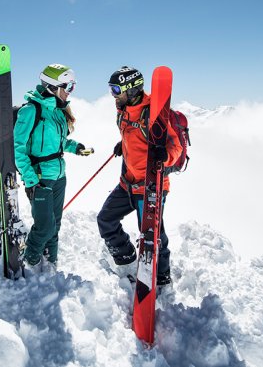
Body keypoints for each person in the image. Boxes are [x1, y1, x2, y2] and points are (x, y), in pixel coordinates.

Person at [96, 66, 183, 287]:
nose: (113, 94)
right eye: (111, 89)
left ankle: (162, 279)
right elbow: (134, 137)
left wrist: (165, 157)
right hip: (128, 183)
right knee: (105, 220)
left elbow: (176, 148)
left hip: (150, 187)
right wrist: (123, 146)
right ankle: (127, 261)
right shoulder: (123, 110)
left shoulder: (154, 112)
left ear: (132, 89)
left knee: (153, 238)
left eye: (117, 89)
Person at [14, 64, 93, 274]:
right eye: (68, 86)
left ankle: (50, 266)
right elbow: (18, 148)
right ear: (53, 86)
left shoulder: (58, 112)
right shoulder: (31, 110)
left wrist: (75, 147)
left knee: (55, 226)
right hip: (40, 178)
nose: (70, 91)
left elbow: (60, 142)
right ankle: (28, 263)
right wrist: (30, 179)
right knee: (45, 226)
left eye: (72, 86)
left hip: (59, 176)